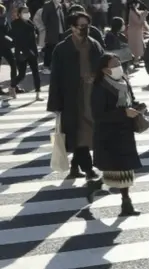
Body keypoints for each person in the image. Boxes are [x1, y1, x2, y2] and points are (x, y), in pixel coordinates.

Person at [46, 12, 104, 180]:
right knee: (78, 133)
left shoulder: (94, 45)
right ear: (71, 27)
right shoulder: (62, 49)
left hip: (92, 95)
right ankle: (88, 168)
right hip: (71, 97)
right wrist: (55, 104)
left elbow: (103, 66)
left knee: (87, 133)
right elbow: (55, 78)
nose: (84, 29)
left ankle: (75, 167)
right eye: (81, 26)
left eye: (87, 25)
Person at [88, 53, 142, 216]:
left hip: (125, 131)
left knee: (122, 169)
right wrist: (124, 113)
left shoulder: (124, 81)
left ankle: (97, 186)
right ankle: (126, 204)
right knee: (122, 169)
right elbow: (99, 115)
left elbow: (130, 100)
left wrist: (138, 107)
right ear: (105, 70)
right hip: (108, 134)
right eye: (114, 64)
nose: (119, 67)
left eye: (119, 63)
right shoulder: (99, 87)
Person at [11, 6, 42, 101]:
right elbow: (17, 40)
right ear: (19, 14)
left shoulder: (30, 23)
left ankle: (38, 93)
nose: (27, 13)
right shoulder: (15, 24)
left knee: (36, 73)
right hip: (22, 53)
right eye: (24, 12)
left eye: (28, 11)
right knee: (22, 74)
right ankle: (12, 87)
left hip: (33, 52)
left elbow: (34, 36)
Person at [41, 0, 66, 75]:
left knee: (60, 49)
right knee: (49, 49)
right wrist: (50, 28)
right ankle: (46, 67)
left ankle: (57, 66)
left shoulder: (61, 5)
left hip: (61, 32)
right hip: (52, 32)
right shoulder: (48, 5)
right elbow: (44, 19)